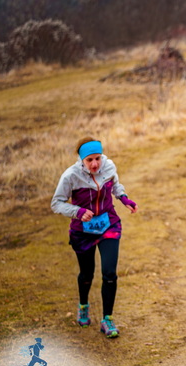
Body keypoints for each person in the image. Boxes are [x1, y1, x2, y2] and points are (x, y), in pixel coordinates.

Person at [51, 137, 138, 338]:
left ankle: (107, 319)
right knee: (87, 274)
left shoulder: (109, 167)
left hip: (108, 225)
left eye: (97, 158)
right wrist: (78, 211)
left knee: (110, 273)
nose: (95, 164)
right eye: (89, 160)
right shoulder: (71, 176)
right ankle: (83, 305)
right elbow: (56, 203)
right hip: (83, 232)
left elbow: (115, 185)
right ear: (82, 160)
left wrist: (124, 198)